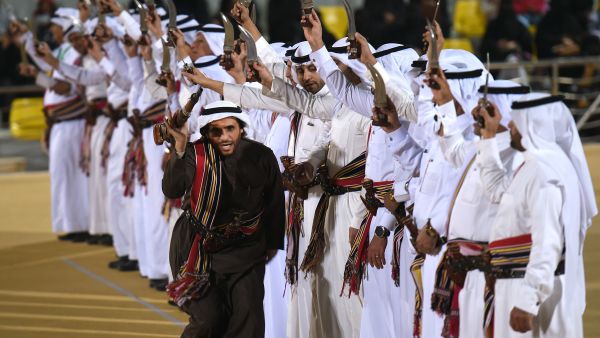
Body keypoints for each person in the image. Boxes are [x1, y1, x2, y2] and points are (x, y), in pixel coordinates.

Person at [163, 100, 285, 337]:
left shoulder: (261, 156)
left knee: (248, 319)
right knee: (208, 320)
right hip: (197, 249)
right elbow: (171, 190)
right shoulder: (194, 154)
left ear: (241, 127)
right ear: (207, 133)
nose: (225, 136)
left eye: (230, 128)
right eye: (216, 131)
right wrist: (178, 149)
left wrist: (272, 243)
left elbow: (274, 202)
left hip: (246, 250)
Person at [477, 93, 585, 337]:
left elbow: (548, 242)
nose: (512, 126)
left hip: (528, 290)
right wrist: (488, 136)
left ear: (534, 125)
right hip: (518, 284)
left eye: (517, 121)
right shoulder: (534, 167)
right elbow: (496, 190)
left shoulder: (544, 174)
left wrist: (528, 300)